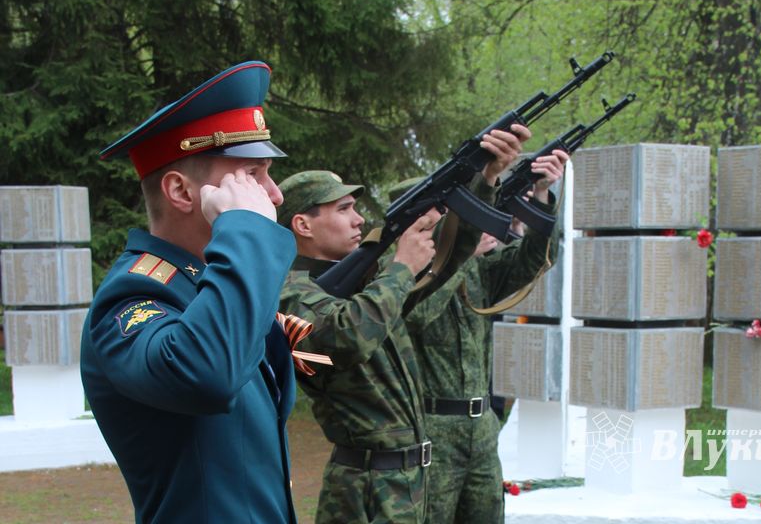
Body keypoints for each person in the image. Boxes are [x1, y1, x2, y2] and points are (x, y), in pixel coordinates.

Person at [80, 62, 299, 523]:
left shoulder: (207, 284)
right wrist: (245, 232)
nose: (274, 195)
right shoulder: (133, 299)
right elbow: (207, 373)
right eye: (253, 175)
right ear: (181, 191)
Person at [277, 124, 529, 524]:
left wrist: (486, 180)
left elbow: (449, 264)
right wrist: (400, 269)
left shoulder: (364, 282)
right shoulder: (289, 294)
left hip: (407, 480)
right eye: (343, 210)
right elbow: (344, 339)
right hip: (364, 489)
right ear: (303, 225)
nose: (358, 219)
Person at [400, 149, 568, 523]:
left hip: (481, 430)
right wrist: (459, 254)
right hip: (432, 432)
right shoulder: (400, 278)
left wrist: (540, 195)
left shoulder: (478, 272)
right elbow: (418, 318)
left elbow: (533, 261)